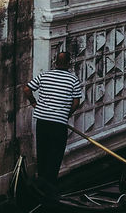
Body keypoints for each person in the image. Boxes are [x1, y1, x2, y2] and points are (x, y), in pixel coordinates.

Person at [23, 50, 84, 189]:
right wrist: (66, 114)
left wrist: (34, 102)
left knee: (43, 151)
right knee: (55, 155)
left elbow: (27, 89)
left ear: (55, 62)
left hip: (42, 121)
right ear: (69, 63)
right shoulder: (73, 80)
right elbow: (76, 102)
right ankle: (49, 185)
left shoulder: (45, 76)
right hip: (58, 124)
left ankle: (41, 183)